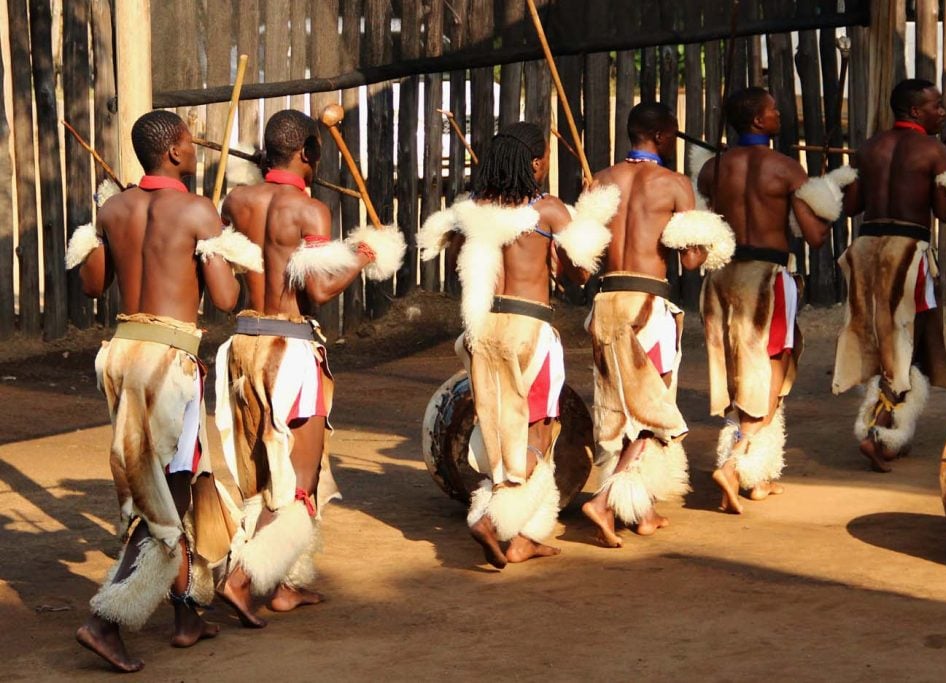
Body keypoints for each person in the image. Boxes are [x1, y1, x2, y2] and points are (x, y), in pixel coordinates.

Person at [66, 110, 262, 672]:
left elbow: (93, 284)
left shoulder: (114, 208)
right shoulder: (198, 210)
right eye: (190, 141)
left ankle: (185, 614)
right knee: (165, 500)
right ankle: (105, 620)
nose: (196, 148)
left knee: (171, 482)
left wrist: (105, 232)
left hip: (122, 354)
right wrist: (219, 253)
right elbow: (224, 301)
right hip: (168, 361)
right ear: (174, 152)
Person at [214, 110, 404, 626]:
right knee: (301, 478)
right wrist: (365, 252)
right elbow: (318, 289)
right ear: (309, 153)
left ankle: (282, 585)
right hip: (290, 350)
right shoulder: (311, 210)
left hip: (241, 346)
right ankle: (243, 579)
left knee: (262, 471)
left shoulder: (236, 202)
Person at [418, 122, 617, 568]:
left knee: (497, 426)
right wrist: (585, 219)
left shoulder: (470, 208)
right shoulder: (546, 210)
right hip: (529, 332)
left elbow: (460, 264)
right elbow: (580, 274)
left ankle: (526, 536)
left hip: (481, 332)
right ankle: (491, 516)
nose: (546, 163)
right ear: (533, 162)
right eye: (543, 156)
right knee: (538, 431)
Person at [581, 102, 734, 547]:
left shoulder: (602, 181)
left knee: (618, 408)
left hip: (606, 301)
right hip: (647, 305)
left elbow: (582, 259)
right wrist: (712, 236)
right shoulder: (673, 184)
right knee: (653, 411)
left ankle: (642, 511)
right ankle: (606, 500)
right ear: (665, 137)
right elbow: (689, 261)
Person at [697, 87, 850, 514]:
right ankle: (735, 464)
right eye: (773, 109)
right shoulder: (785, 169)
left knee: (737, 373)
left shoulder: (713, 169)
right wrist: (826, 198)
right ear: (759, 121)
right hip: (765, 280)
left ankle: (757, 476)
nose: (779, 113)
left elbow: (707, 224)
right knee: (771, 372)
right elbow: (816, 237)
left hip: (721, 278)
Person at [834, 78, 946, 472]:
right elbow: (945, 214)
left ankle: (891, 428)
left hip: (866, 249)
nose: (943, 112)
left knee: (882, 335)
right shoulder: (934, 150)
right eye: (937, 105)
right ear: (916, 111)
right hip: (906, 253)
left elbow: (852, 207)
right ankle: (877, 431)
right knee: (902, 340)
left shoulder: (870, 148)